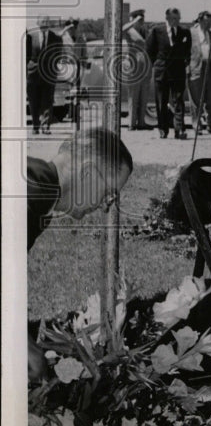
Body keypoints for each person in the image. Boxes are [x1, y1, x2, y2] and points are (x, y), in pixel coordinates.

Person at [26, 127, 134, 380]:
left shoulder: (40, 185)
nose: (106, 203)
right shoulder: (33, 191)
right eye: (109, 191)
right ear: (87, 171)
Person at [145, 7, 192, 139]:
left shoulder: (185, 32)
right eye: (174, 18)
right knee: (161, 101)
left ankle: (179, 129)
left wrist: (185, 62)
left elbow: (187, 51)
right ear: (167, 18)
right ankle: (162, 128)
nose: (177, 21)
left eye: (178, 18)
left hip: (178, 71)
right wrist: (157, 63)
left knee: (178, 100)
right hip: (162, 71)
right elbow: (149, 49)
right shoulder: (157, 31)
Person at [26, 18, 61, 134]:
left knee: (47, 101)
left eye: (46, 22)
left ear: (49, 24)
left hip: (48, 74)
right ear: (37, 23)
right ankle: (35, 126)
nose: (44, 24)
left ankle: (45, 126)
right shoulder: (31, 37)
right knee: (33, 101)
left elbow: (58, 55)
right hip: (33, 74)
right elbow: (26, 54)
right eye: (42, 21)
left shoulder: (55, 38)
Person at [122, 9, 153, 130]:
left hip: (145, 65)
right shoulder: (129, 30)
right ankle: (132, 123)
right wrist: (134, 22)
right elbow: (122, 30)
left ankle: (141, 122)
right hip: (134, 65)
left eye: (143, 18)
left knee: (143, 95)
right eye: (140, 18)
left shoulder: (145, 30)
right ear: (134, 18)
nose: (142, 21)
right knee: (133, 95)